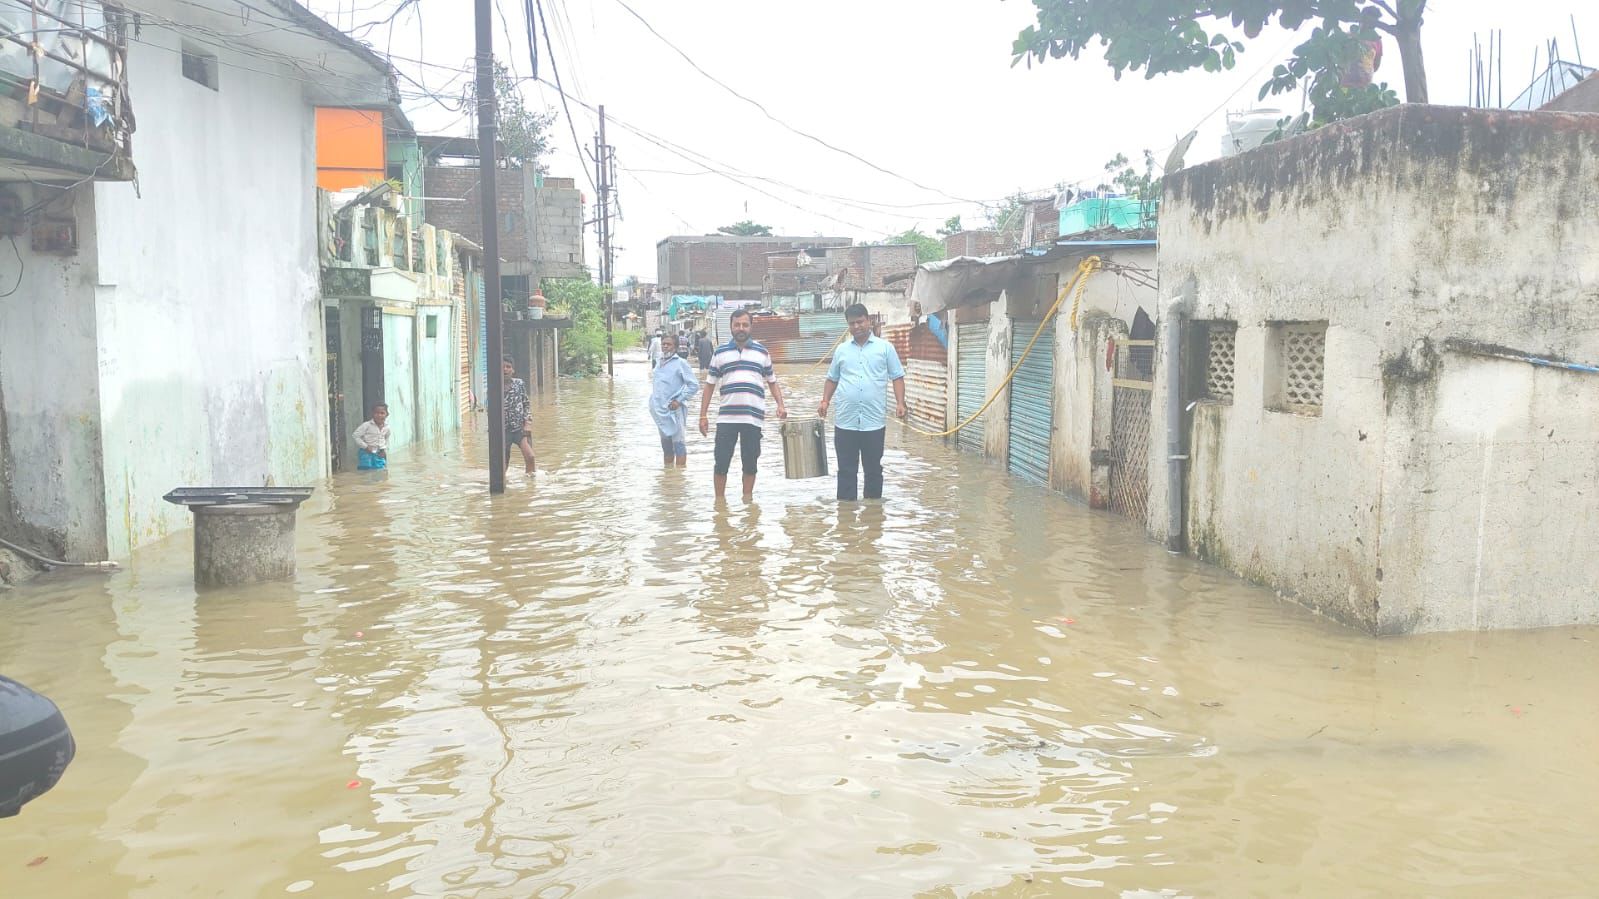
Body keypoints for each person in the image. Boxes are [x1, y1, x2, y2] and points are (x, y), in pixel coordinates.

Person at [817, 303, 906, 501]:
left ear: (869, 321)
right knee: (846, 470)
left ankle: (873, 514)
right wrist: (825, 401)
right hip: (845, 421)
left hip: (873, 422)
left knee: (873, 470)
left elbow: (897, 376)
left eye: (860, 322)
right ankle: (846, 514)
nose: (856, 326)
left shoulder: (885, 348)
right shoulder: (841, 350)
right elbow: (832, 379)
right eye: (852, 323)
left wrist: (900, 403)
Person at [699, 308, 786, 501]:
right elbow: (709, 385)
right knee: (721, 463)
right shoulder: (720, 352)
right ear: (731, 327)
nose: (741, 328)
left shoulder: (762, 352)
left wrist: (780, 405)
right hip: (726, 419)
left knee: (750, 464)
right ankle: (719, 503)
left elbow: (772, 381)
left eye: (745, 325)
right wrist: (703, 415)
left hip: (753, 419)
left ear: (751, 327)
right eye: (737, 324)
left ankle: (748, 501)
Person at [649, 333, 697, 468]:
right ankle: (669, 475)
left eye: (668, 344)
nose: (665, 346)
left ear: (675, 347)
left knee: (679, 445)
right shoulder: (658, 362)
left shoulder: (681, 363)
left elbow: (694, 385)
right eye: (663, 344)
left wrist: (679, 400)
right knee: (666, 446)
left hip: (675, 410)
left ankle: (680, 475)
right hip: (660, 410)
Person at [502, 356, 536, 476]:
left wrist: (528, 424)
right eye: (502, 367)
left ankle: (530, 483)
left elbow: (526, 404)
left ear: (513, 370)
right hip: (503, 431)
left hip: (519, 429)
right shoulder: (494, 387)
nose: (505, 369)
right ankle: (503, 483)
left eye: (508, 367)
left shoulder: (519, 383)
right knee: (503, 463)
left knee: (530, 457)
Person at [353, 403, 391, 470]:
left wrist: (384, 449)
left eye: (382, 413)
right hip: (366, 453)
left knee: (380, 470)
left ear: (387, 414)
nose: (379, 415)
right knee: (365, 470)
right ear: (372, 414)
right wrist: (366, 446)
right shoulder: (366, 425)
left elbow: (387, 438)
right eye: (376, 413)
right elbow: (355, 435)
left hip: (379, 453)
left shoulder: (387, 427)